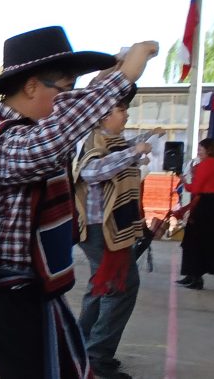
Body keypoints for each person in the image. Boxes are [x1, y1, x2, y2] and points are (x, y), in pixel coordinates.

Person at [0, 26, 157, 379]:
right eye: (64, 89)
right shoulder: (8, 141)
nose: (67, 100)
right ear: (31, 86)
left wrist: (105, 81)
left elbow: (63, 122)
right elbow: (57, 135)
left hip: (28, 290)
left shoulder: (17, 130)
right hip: (11, 296)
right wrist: (123, 78)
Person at [72, 85, 149, 379]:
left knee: (101, 286)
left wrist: (139, 144)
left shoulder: (112, 140)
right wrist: (133, 152)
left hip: (110, 228)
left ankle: (82, 344)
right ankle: (97, 354)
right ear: (103, 117)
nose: (126, 114)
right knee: (121, 285)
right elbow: (91, 172)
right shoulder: (93, 141)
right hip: (99, 228)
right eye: (121, 110)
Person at [175, 138, 214, 289]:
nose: (198, 152)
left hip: (205, 205)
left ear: (207, 150)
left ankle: (194, 276)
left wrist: (184, 180)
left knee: (195, 240)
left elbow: (195, 188)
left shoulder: (206, 164)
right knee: (207, 241)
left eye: (200, 149)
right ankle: (193, 274)